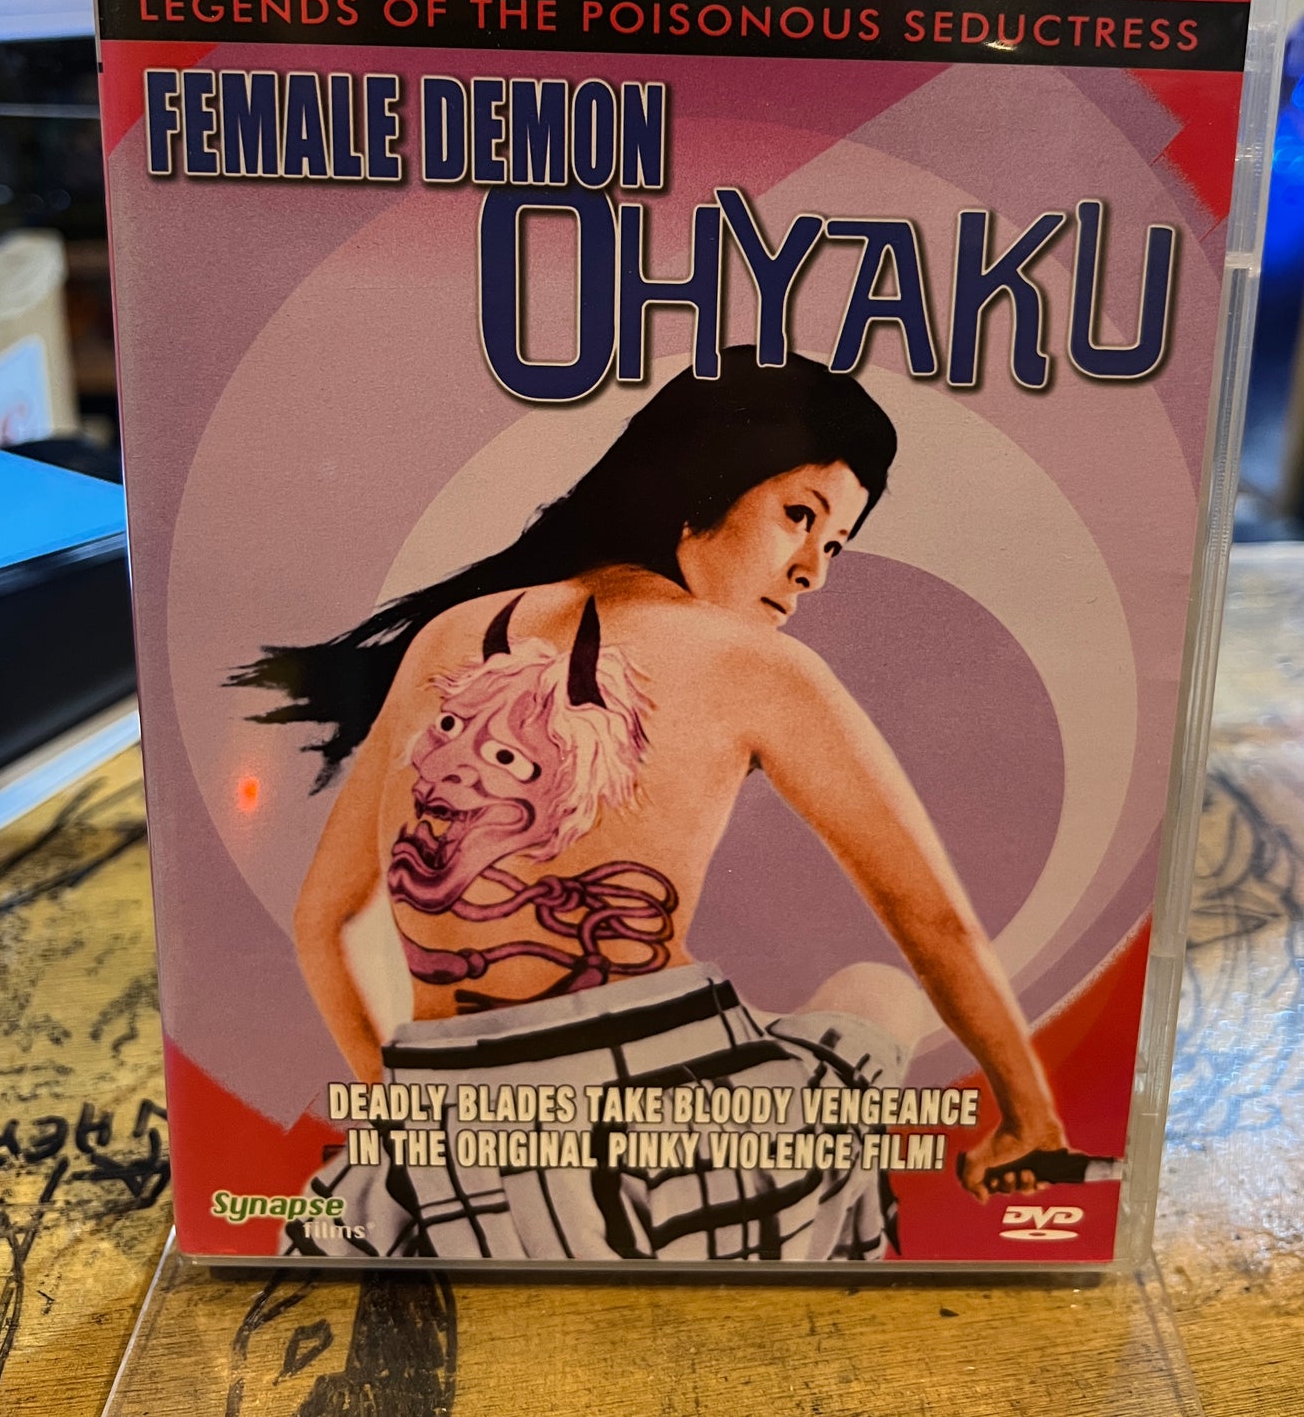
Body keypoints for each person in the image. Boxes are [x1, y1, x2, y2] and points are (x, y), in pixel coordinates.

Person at [233, 347, 1067, 1262]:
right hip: (674, 1158)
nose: (813, 571)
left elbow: (324, 922)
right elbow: (935, 920)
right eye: (800, 516)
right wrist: (1030, 1117)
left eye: (834, 545)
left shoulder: (450, 635)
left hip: (457, 1138)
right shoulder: (761, 666)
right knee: (880, 991)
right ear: (710, 476)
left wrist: (421, 1126)